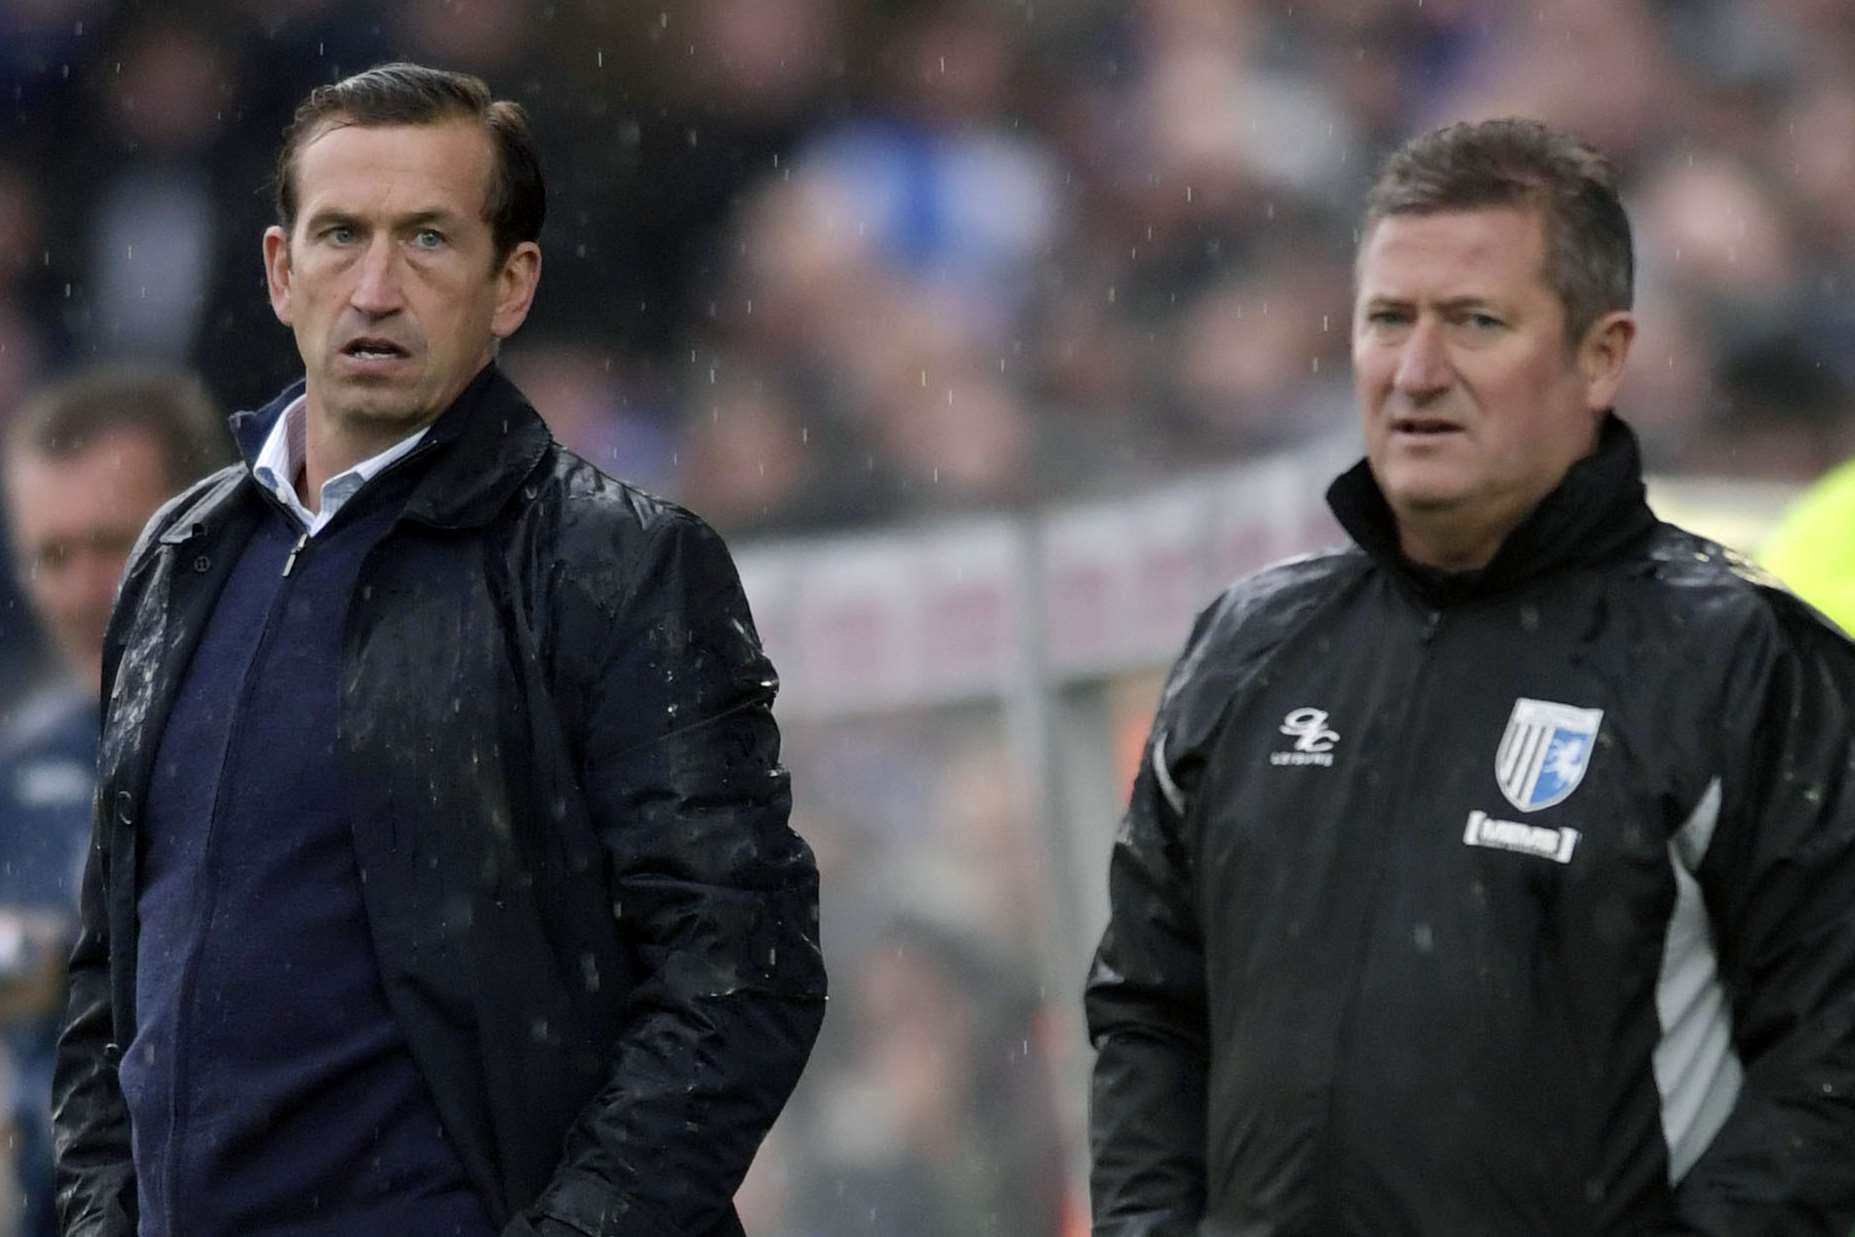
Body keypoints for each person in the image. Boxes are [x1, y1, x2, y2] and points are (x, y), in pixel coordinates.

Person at [52, 63, 826, 1237]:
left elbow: (743, 969)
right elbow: (109, 982)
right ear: (278, 270)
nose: (375, 286)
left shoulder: (618, 567)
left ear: (511, 283)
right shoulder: (177, 558)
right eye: (340, 236)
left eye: (426, 238)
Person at [1085, 118, 1855, 1236]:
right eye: (1387, 319)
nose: (1416, 371)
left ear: (1601, 354)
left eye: (1474, 323)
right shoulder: (1244, 650)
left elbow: (1832, 1071)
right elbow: (1151, 1016)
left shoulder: (1740, 666)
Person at [0, 367, 229, 1237]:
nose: (85, 589)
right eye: (52, 555)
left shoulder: (294, 746)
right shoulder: (22, 773)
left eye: (115, 543)